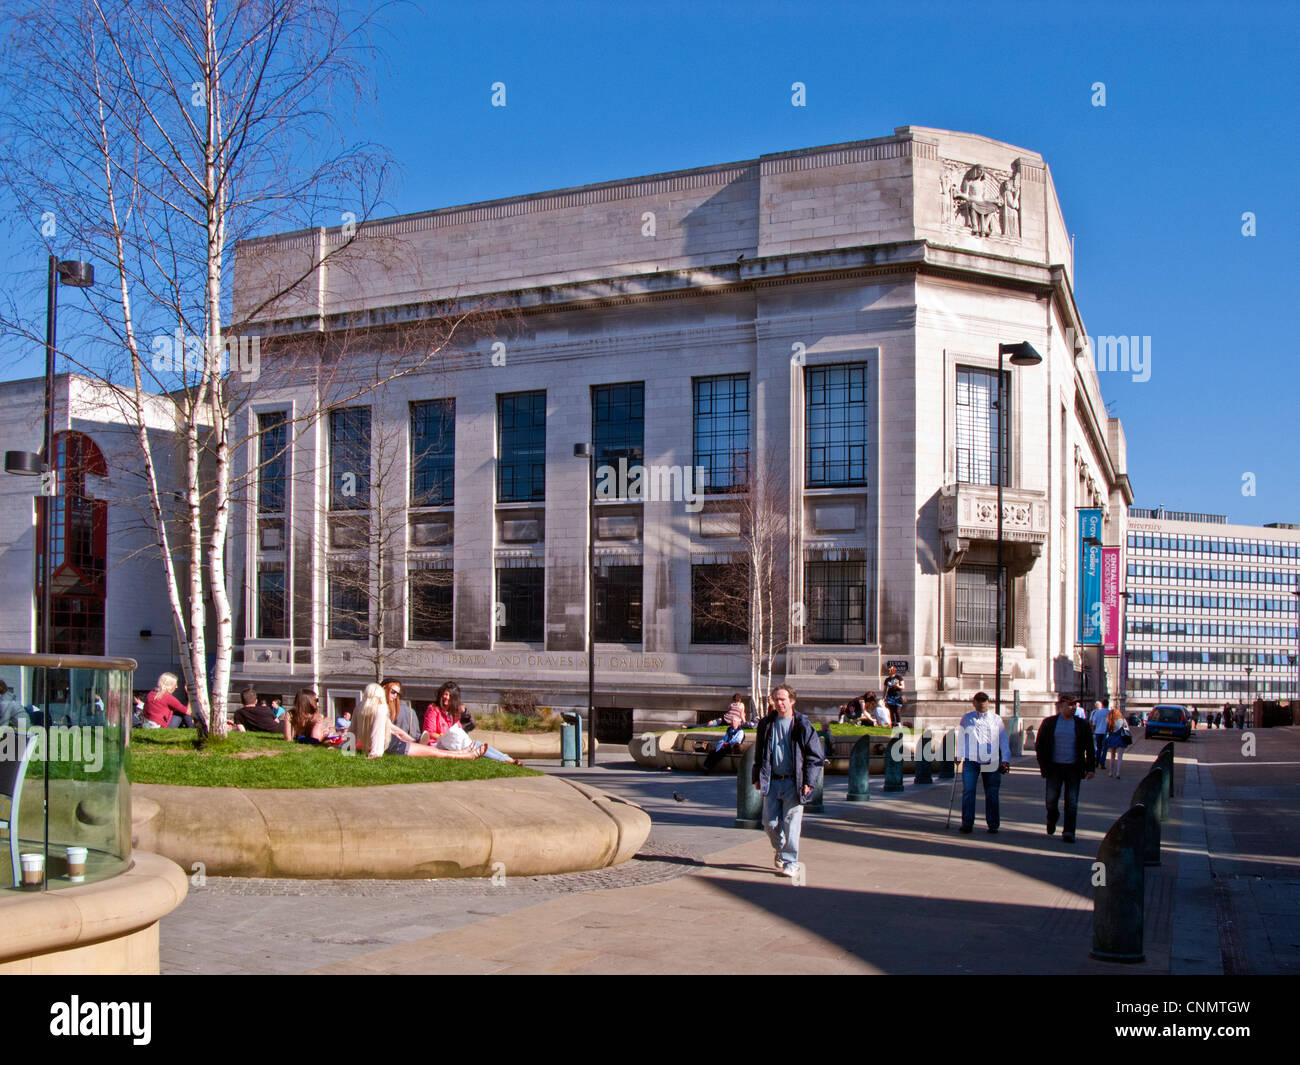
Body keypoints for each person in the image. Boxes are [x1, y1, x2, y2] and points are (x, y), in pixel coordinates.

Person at [751, 684, 824, 878]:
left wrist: (809, 781)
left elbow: (815, 756)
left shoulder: (802, 724)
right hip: (772, 781)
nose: (779, 703)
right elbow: (760, 753)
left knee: (791, 823)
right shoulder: (767, 724)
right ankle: (781, 848)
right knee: (769, 822)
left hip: (794, 782)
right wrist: (756, 776)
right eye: (776, 699)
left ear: (792, 700)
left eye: (783, 699)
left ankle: (791, 862)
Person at [350, 683, 483, 759]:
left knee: (431, 751)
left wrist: (343, 748)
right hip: (393, 745)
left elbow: (352, 731)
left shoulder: (359, 708)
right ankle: (465, 755)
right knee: (433, 752)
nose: (395, 696)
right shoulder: (380, 709)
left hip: (394, 742)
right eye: (393, 692)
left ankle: (462, 753)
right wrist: (376, 753)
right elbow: (378, 734)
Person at [1034, 696, 1096, 842]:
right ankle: (1052, 818)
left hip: (1074, 768)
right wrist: (1043, 765)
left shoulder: (1082, 724)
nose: (1073, 707)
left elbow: (1090, 747)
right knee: (1051, 800)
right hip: (1054, 767)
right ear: (1061, 705)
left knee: (1072, 801)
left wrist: (1091, 768)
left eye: (1075, 705)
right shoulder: (1049, 723)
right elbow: (1040, 745)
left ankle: (1069, 832)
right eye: (1070, 704)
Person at [956, 692, 1011, 834]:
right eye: (979, 701)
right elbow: (962, 738)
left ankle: (993, 824)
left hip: (991, 760)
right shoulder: (967, 718)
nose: (982, 703)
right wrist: (958, 754)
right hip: (971, 759)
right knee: (968, 790)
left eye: (984, 701)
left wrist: (1005, 759)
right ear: (974, 703)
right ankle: (967, 822)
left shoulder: (996, 719)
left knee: (992, 792)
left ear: (988, 702)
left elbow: (1003, 740)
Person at [702, 697, 749, 772]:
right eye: (732, 721)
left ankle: (709, 767)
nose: (733, 723)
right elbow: (725, 737)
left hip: (733, 747)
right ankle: (705, 766)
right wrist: (722, 742)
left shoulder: (740, 731)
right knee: (712, 752)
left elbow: (737, 740)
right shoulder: (729, 729)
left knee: (719, 754)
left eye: (734, 721)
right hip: (725, 745)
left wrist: (727, 743)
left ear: (738, 722)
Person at [1104, 706, 1130, 778]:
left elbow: (1106, 730)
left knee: (1112, 756)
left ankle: (1110, 772)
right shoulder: (1122, 720)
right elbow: (1127, 729)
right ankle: (1118, 772)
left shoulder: (1109, 721)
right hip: (1120, 738)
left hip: (1112, 738)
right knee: (1120, 757)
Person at [1088, 700, 1110, 772]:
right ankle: (1102, 762)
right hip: (1106, 732)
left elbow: (1093, 723)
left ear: (1102, 704)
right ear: (1108, 704)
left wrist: (1093, 731)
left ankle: (1097, 761)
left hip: (1098, 732)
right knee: (1105, 748)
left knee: (1098, 747)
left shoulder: (1097, 712)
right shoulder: (1109, 713)